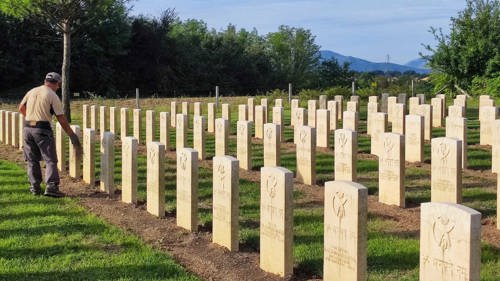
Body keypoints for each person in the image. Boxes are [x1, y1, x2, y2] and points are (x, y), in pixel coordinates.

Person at [18, 72, 82, 197]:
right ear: (57, 83)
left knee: (32, 159)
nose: (58, 87)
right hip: (42, 129)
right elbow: (61, 118)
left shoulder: (32, 91)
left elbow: (20, 108)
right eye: (58, 85)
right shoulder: (52, 95)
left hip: (27, 129)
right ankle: (52, 187)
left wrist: (31, 118)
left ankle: (35, 187)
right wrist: (71, 135)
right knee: (50, 159)